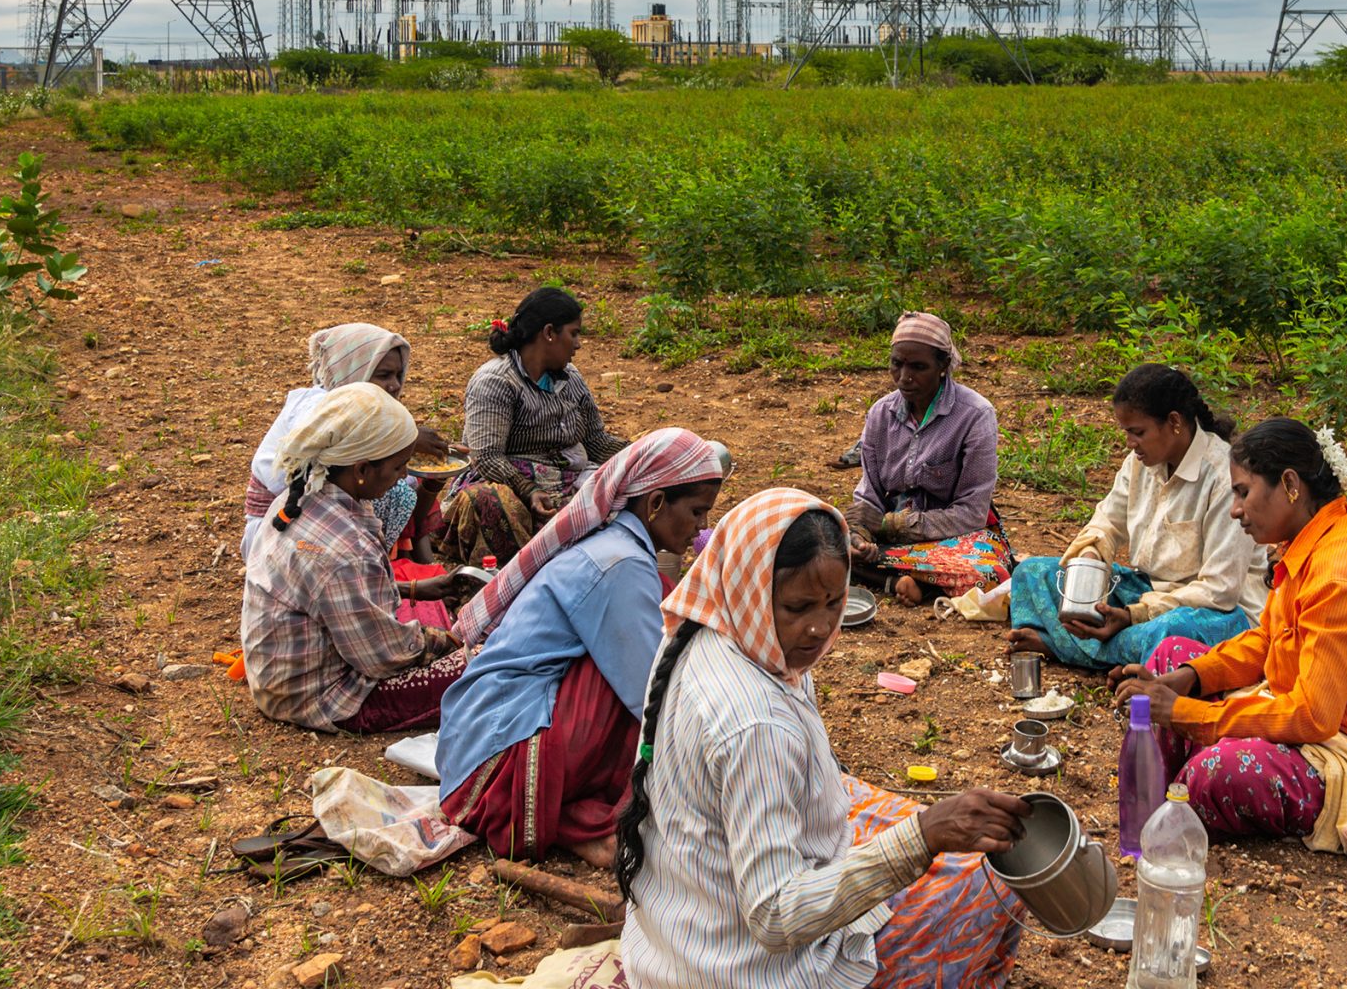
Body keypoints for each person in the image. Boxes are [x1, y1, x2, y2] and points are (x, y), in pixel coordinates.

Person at [618, 488, 1029, 989]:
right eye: (798, 606)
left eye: (835, 602)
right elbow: (774, 916)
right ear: (749, 588)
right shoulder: (756, 725)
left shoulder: (714, 627)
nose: (819, 627)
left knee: (891, 817)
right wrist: (924, 837)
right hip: (743, 970)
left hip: (677, 940)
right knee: (982, 880)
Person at [1106, 418, 1347, 839]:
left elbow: (1312, 716)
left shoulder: (1344, 572)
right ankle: (1168, 798)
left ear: (1290, 484)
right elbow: (1267, 639)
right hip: (1314, 715)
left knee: (1215, 774)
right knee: (1170, 658)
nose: (1235, 509)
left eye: (1243, 492)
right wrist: (1189, 681)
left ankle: (1180, 791)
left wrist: (1185, 713)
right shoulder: (1314, 538)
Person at [433, 428, 728, 868]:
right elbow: (654, 692)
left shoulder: (618, 546)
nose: (702, 526)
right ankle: (585, 819)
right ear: (656, 503)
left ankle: (575, 815)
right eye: (698, 511)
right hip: (496, 770)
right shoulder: (620, 564)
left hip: (473, 747)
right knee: (654, 686)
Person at [239, 382, 471, 734]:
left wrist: (412, 591)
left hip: (279, 680)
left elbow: (335, 598)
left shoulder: (302, 499)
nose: (404, 476)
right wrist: (447, 642)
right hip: (323, 699)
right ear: (362, 470)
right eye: (398, 468)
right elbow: (383, 657)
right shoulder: (344, 550)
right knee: (488, 669)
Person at [1006, 364, 1263, 671]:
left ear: (1174, 422)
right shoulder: (1140, 463)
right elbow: (1107, 522)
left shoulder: (1223, 478)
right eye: (1126, 432)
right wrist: (1090, 561)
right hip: (1149, 592)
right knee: (1031, 573)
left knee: (1171, 633)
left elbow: (1219, 590)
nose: (1129, 443)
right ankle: (1108, 648)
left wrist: (1132, 615)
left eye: (1137, 432)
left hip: (1215, 612)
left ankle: (1060, 644)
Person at [446, 287, 629, 568]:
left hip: (567, 480)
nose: (578, 344)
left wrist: (642, 453)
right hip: (510, 483)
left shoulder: (571, 379)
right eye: (574, 333)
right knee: (491, 502)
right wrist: (528, 489)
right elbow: (486, 457)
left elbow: (595, 442)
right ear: (549, 333)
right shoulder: (496, 381)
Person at [241, 323, 453, 563]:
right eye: (383, 375)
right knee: (393, 489)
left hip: (309, 522)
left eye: (397, 375)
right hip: (280, 527)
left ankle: (402, 563)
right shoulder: (315, 408)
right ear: (351, 371)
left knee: (398, 483)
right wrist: (412, 440)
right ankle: (378, 565)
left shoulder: (359, 409)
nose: (394, 385)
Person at [847, 312, 1006, 606]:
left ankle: (891, 577)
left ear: (943, 366)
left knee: (984, 571)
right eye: (897, 364)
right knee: (822, 544)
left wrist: (888, 525)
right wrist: (859, 537)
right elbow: (868, 495)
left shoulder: (975, 415)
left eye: (918, 367)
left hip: (953, 539)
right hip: (887, 541)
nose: (904, 377)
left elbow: (971, 514)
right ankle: (900, 581)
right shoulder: (881, 414)